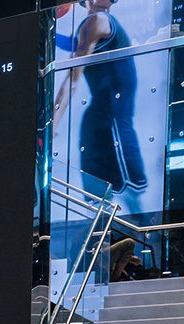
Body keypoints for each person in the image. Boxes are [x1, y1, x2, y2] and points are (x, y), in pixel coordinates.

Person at [53, 0, 146, 198]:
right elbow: (73, 44)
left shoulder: (97, 21)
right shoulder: (95, 25)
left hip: (110, 122)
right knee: (108, 197)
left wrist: (52, 122)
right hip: (105, 118)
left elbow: (72, 80)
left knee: (128, 196)